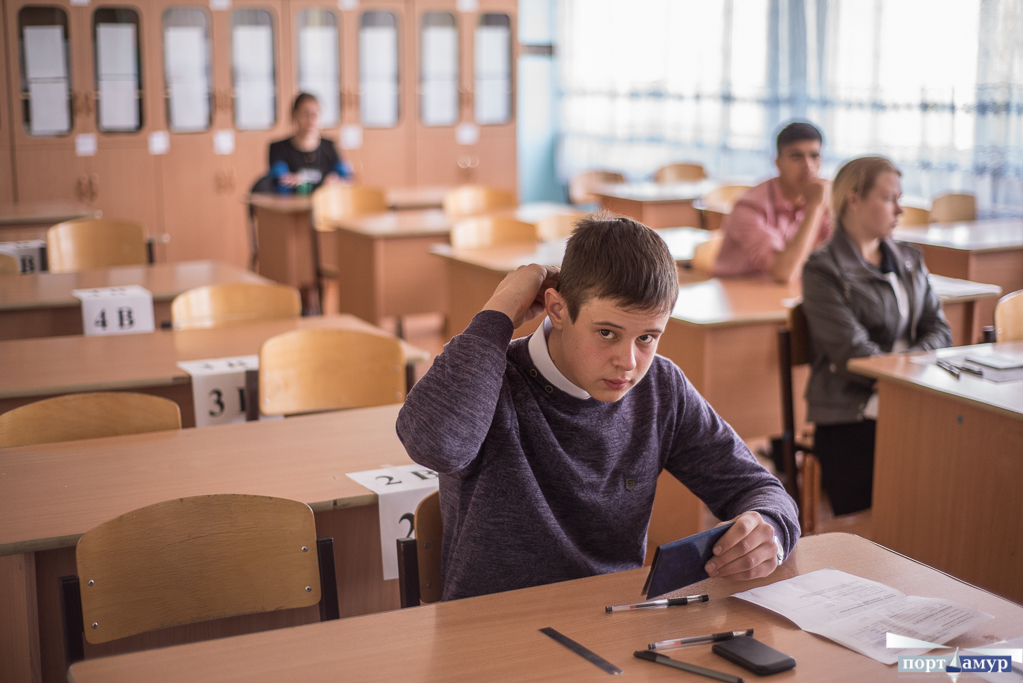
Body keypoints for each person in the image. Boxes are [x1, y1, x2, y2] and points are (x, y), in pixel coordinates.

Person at [396, 214, 799, 601]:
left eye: (647, 338)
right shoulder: (487, 375)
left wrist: (770, 529)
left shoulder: (660, 386)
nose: (627, 361)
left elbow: (758, 488)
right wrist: (500, 310)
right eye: (607, 333)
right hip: (492, 631)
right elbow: (437, 445)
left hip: (611, 622)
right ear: (557, 309)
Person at [801, 156, 952, 515]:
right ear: (853, 200)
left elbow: (940, 329)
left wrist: (908, 376)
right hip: (851, 413)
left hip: (910, 394)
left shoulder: (910, 259)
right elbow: (854, 355)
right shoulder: (823, 269)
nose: (900, 209)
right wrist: (908, 375)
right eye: (889, 199)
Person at [714, 122, 832, 282]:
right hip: (742, 296)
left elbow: (844, 258)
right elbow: (784, 272)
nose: (808, 166)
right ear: (778, 163)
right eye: (796, 157)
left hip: (786, 293)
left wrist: (834, 208)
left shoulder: (819, 199)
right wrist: (815, 207)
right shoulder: (749, 207)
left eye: (814, 156)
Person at [268, 93, 352, 193]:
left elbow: (347, 179)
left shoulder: (330, 146)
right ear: (294, 115)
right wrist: (323, 184)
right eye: (305, 114)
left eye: (315, 114)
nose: (310, 120)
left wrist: (301, 181)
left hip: (325, 206)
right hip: (291, 207)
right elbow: (282, 184)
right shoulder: (278, 148)